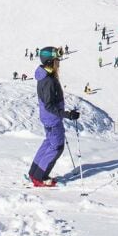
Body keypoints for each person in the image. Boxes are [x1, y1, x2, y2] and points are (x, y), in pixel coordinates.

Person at [27, 46, 79, 187]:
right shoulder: (48, 81)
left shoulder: (45, 75)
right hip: (52, 118)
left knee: (49, 143)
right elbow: (50, 105)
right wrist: (67, 114)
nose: (59, 63)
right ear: (50, 62)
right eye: (57, 61)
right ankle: (40, 177)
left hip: (48, 118)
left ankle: (34, 172)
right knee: (57, 147)